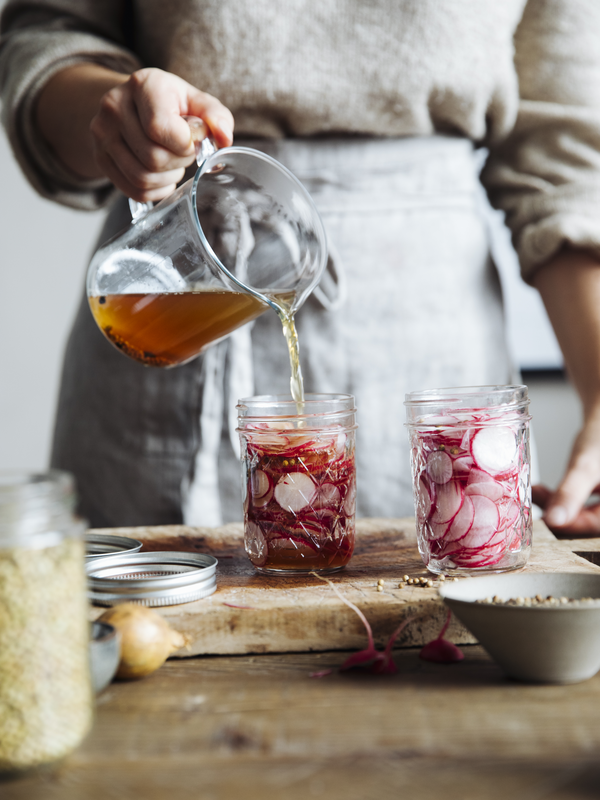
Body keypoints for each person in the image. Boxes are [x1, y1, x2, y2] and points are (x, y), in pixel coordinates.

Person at [2, 0, 600, 535]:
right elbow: (47, 36)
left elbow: (566, 160)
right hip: (180, 252)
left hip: (432, 322)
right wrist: (121, 124)